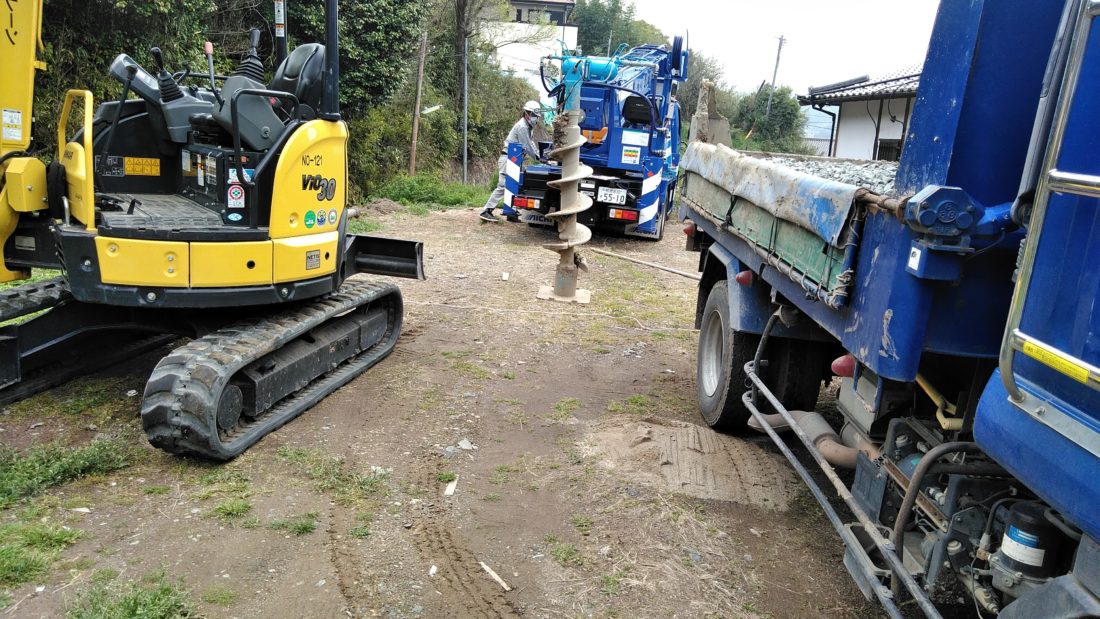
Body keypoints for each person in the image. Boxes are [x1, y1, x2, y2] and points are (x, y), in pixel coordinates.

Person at [479, 100, 543, 222]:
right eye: (534, 115)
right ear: (527, 113)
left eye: (537, 116)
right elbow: (527, 145)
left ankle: (511, 213)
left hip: (514, 159)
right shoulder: (522, 126)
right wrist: (539, 157)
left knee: (514, 186)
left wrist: (539, 154)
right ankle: (486, 210)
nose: (535, 118)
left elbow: (531, 144)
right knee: (503, 185)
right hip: (508, 158)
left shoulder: (528, 127)